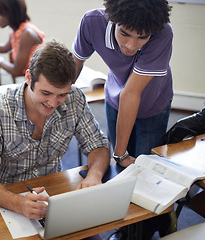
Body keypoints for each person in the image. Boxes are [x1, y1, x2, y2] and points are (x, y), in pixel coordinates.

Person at [0, 40, 110, 239]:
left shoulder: (75, 98)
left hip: (52, 199)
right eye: (46, 93)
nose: (53, 103)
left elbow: (98, 144)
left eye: (62, 94)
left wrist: (94, 174)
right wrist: (18, 203)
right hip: (5, 202)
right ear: (28, 77)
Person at [72, 0, 173, 239]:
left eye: (141, 38)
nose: (130, 45)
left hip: (153, 104)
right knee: (120, 172)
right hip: (116, 97)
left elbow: (132, 93)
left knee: (146, 171)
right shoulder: (92, 22)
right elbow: (74, 65)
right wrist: (56, 98)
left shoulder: (163, 32)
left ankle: (146, 229)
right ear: (112, 19)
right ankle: (125, 227)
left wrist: (120, 152)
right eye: (124, 33)